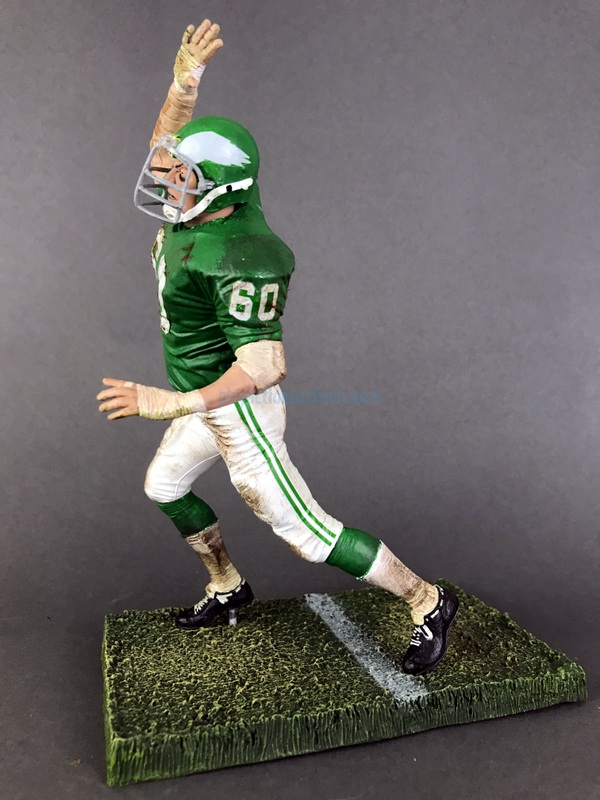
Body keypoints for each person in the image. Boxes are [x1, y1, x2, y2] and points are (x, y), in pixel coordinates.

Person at [97, 20, 459, 676]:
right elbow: (164, 147)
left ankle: (426, 599)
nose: (166, 180)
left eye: (181, 177)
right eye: (174, 173)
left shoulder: (243, 254)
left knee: (307, 534)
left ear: (218, 191)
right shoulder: (208, 199)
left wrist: (170, 402)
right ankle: (227, 585)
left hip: (237, 408)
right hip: (206, 398)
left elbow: (264, 367)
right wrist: (184, 85)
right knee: (164, 485)